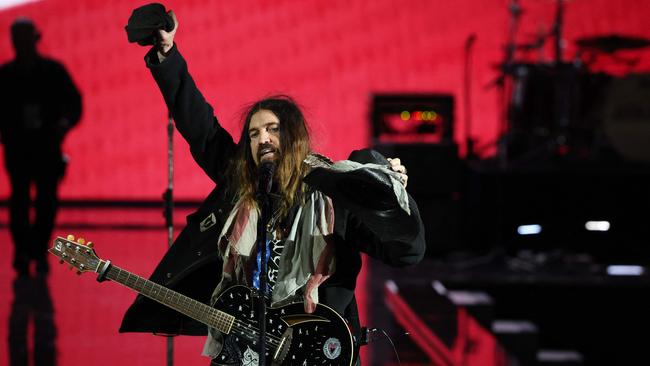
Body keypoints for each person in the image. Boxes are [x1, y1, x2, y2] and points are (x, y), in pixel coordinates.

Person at [119, 6, 425, 365]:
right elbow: (200, 127)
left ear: (294, 136)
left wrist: (392, 201)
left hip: (316, 353)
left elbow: (406, 253)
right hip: (246, 347)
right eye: (253, 133)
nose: (262, 138)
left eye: (272, 129)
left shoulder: (334, 193)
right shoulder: (240, 184)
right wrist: (168, 55)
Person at [0, 17, 82, 277]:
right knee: (21, 203)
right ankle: (26, 251)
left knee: (45, 202)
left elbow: (74, 104)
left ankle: (36, 249)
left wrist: (63, 125)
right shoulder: (7, 76)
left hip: (46, 149)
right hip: (19, 149)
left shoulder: (52, 72)